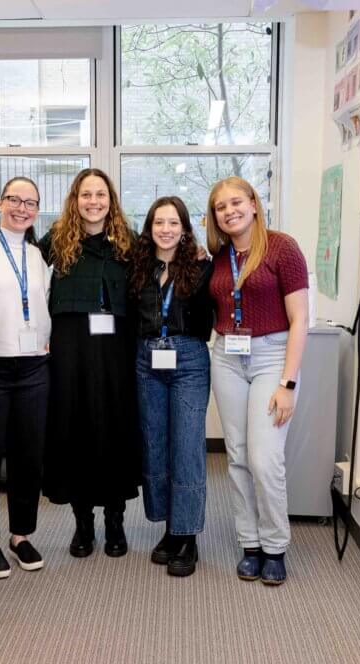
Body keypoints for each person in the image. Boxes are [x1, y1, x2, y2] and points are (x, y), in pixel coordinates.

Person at [206, 176, 309, 586]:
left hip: (272, 357)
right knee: (239, 455)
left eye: (236, 202)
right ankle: (249, 543)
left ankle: (275, 545)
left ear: (253, 203)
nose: (229, 211)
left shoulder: (282, 248)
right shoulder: (217, 255)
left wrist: (289, 382)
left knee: (266, 458)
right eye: (220, 207)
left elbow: (301, 318)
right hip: (227, 358)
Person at [39, 168, 141, 559]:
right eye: (86, 195)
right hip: (70, 347)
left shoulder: (129, 242)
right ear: (75, 199)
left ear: (110, 200)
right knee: (75, 427)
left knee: (114, 427)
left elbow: (166, 260)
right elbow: (23, 264)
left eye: (100, 195)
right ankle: (83, 524)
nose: (93, 202)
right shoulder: (57, 239)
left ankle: (115, 520)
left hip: (116, 348)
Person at [0, 177, 50, 580]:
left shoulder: (37, 255)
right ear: (0, 202)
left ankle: (21, 535)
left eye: (30, 202)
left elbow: (41, 302)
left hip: (34, 366)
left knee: (28, 457)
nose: (22, 207)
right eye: (14, 200)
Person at [128, 196, 213, 578]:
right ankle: (168, 527)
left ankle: (188, 536)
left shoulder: (201, 266)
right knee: (155, 445)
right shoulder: (138, 266)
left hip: (189, 359)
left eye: (173, 223)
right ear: (149, 228)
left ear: (184, 228)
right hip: (147, 359)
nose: (166, 229)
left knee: (188, 447)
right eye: (159, 223)